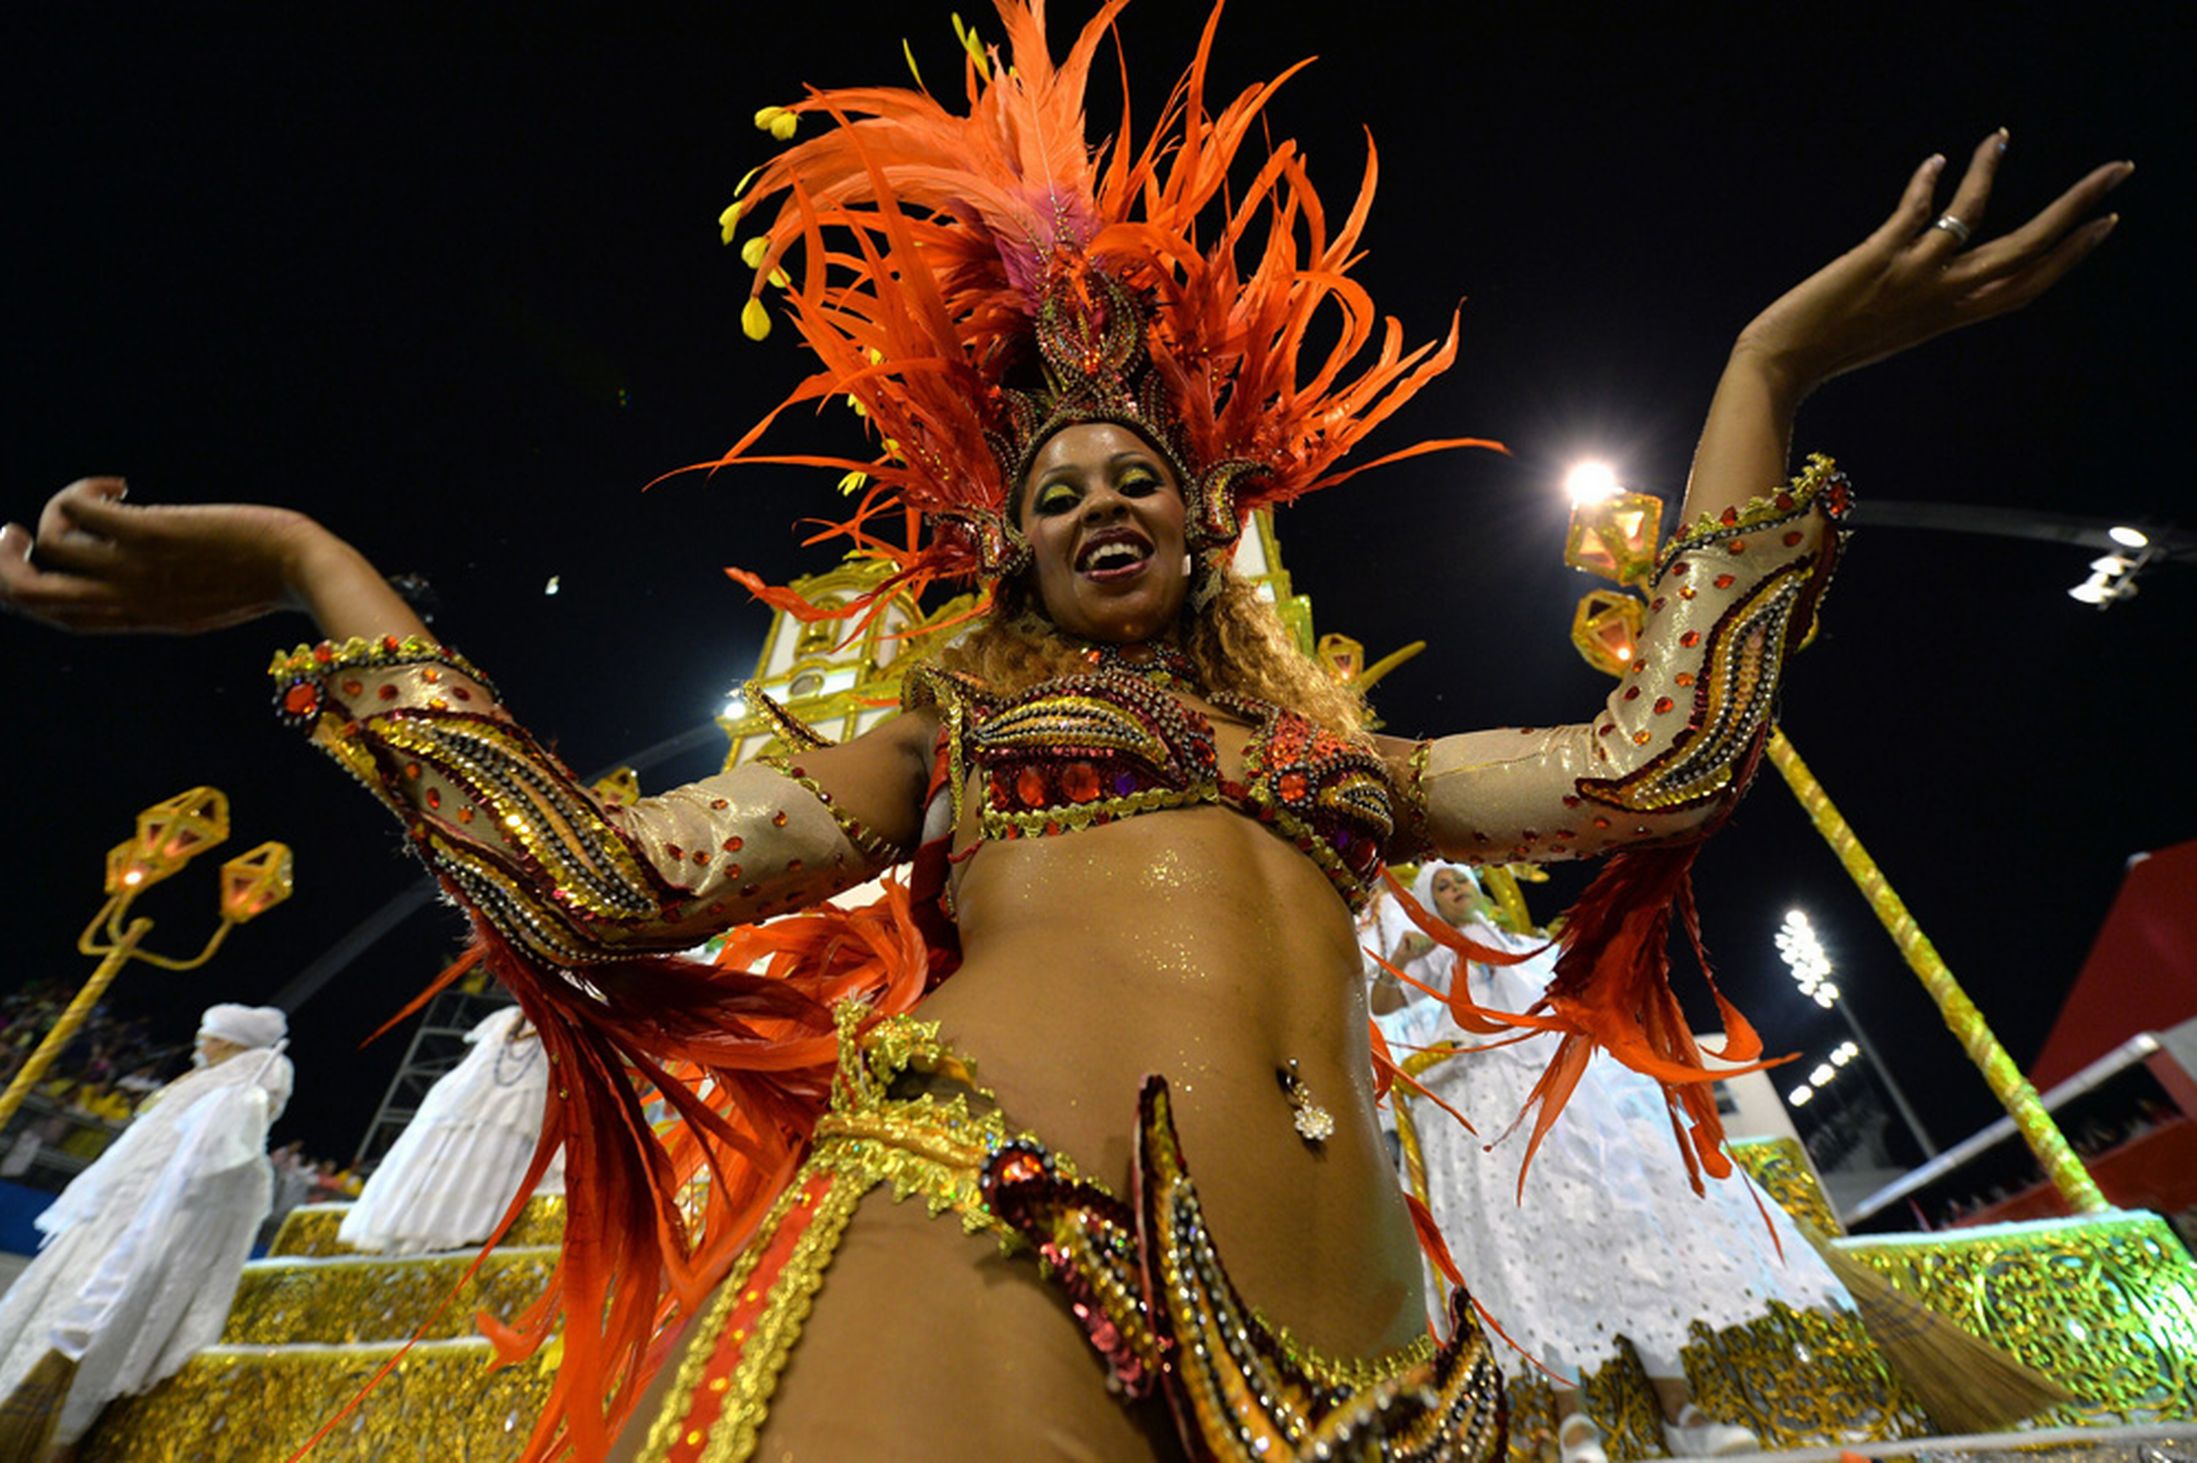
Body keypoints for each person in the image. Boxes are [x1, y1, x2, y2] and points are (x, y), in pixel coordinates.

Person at [0, 7, 2123, 1460]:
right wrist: (311, 562)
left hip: (1390, 1367)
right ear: (999, 539)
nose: (1103, 496)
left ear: (1214, 520)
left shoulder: (1350, 770)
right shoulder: (948, 724)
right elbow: (582, 877)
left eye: (1140, 475)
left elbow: (1655, 770)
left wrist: (1769, 365)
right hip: (991, 1241)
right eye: (1056, 485)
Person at [1391, 865, 1853, 1461]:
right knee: (1537, 1254)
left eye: (1460, 884)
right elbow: (1384, 1001)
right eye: (1443, 890)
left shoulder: (1526, 945)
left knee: (1627, 1236)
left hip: (1572, 1100)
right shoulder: (1429, 959)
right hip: (1499, 1110)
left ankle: (1681, 1412)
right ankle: (1572, 1421)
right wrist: (1404, 952)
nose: (1456, 894)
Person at [0, 1004, 293, 1455]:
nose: (199, 1042)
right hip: (121, 1225)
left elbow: (186, 1189)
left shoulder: (235, 1100)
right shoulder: (213, 1089)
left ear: (231, 1044)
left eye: (208, 1035)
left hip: (137, 1233)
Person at [338, 1004, 564, 1255]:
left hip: (512, 1104)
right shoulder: (506, 1019)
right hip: (470, 1098)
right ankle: (413, 1227)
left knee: (487, 1152)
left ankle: (451, 1229)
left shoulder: (560, 1024)